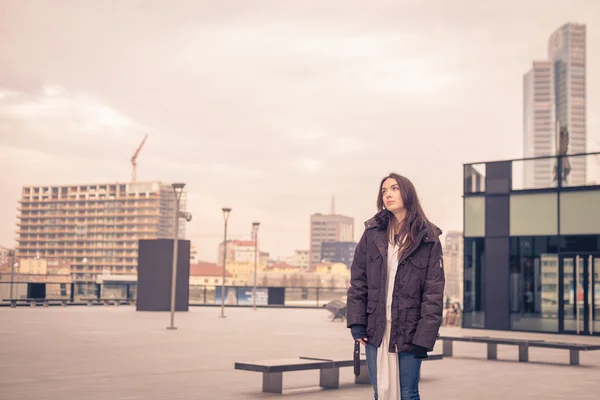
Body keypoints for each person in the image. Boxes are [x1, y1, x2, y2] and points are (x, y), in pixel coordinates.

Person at [346, 173, 445, 400]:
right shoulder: (372, 234)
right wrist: (357, 322)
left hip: (409, 329)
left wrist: (425, 337)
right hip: (376, 327)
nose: (388, 194)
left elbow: (433, 291)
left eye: (394, 188)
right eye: (384, 191)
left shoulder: (428, 236)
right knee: (380, 390)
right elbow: (358, 280)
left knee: (408, 392)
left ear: (407, 193)